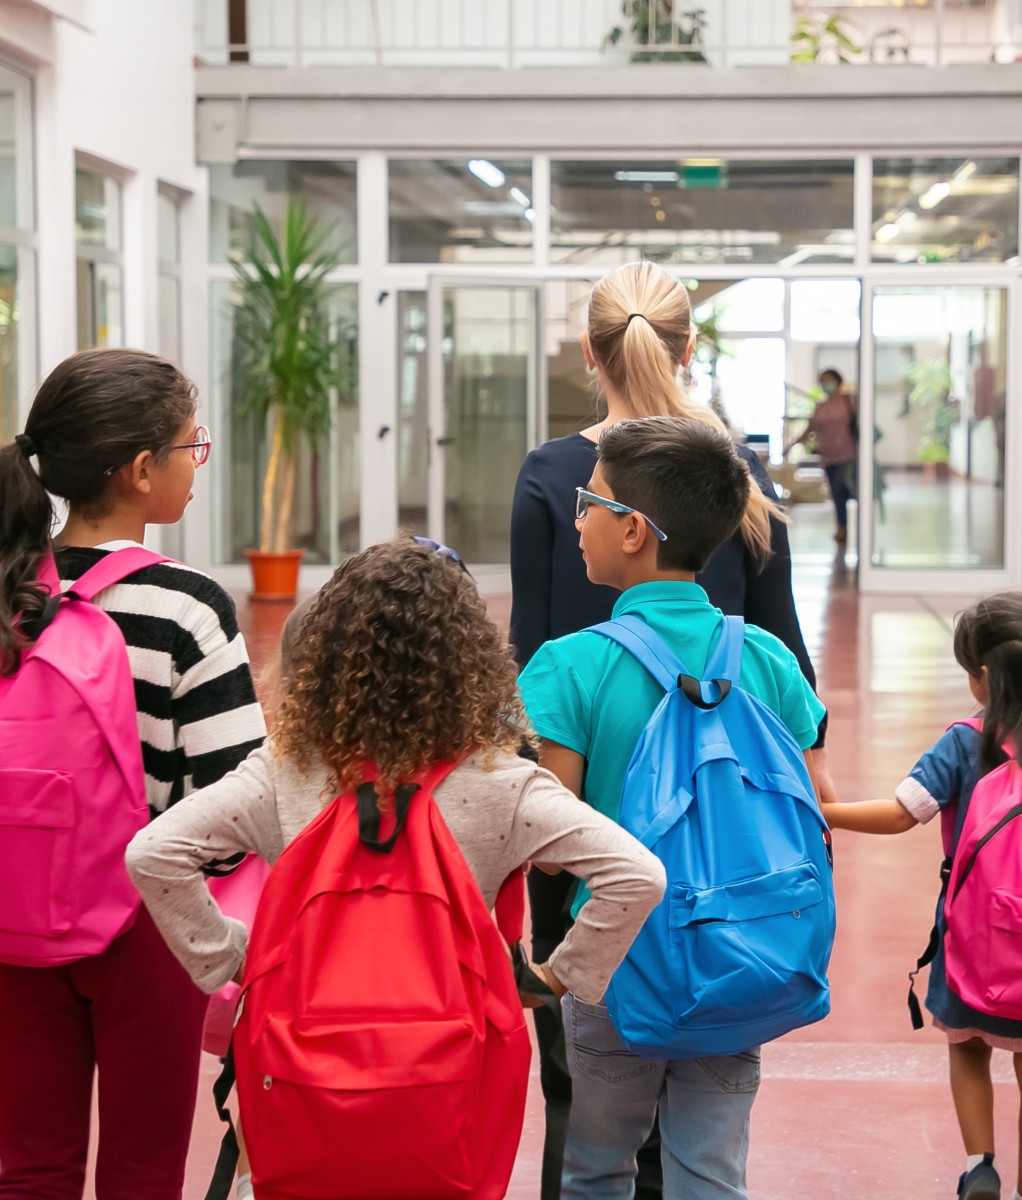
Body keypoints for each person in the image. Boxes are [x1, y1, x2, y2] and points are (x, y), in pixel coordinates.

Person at [124, 533, 667, 1106]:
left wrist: (236, 960)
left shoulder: (282, 776)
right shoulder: (504, 785)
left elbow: (154, 854)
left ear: (327, 657)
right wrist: (558, 978)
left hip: (303, 1072)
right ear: (470, 663)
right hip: (445, 1077)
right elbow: (636, 876)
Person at [509, 260, 831, 1200]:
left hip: (598, 845)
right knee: (709, 1138)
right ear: (690, 349)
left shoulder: (556, 479)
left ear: (589, 354)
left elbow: (532, 644)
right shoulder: (733, 476)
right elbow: (792, 673)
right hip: (731, 886)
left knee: (590, 1118)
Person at [0, 348, 266, 1200]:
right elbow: (234, 802)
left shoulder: (10, 591)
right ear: (142, 469)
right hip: (145, 927)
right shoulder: (185, 605)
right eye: (193, 446)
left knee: (29, 1167)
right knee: (142, 1169)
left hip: (12, 918)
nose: (198, 462)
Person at [821, 591, 1022, 1200]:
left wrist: (826, 812)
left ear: (986, 679)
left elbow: (900, 814)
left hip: (978, 933)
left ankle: (980, 1164)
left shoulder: (967, 743)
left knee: (967, 1043)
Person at [784, 367, 857, 543]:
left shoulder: (850, 401)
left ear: (838, 381)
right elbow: (810, 429)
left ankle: (846, 528)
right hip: (828, 457)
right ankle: (842, 527)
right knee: (837, 493)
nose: (826, 384)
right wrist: (790, 446)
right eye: (823, 380)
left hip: (849, 456)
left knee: (843, 491)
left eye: (829, 379)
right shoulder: (821, 407)